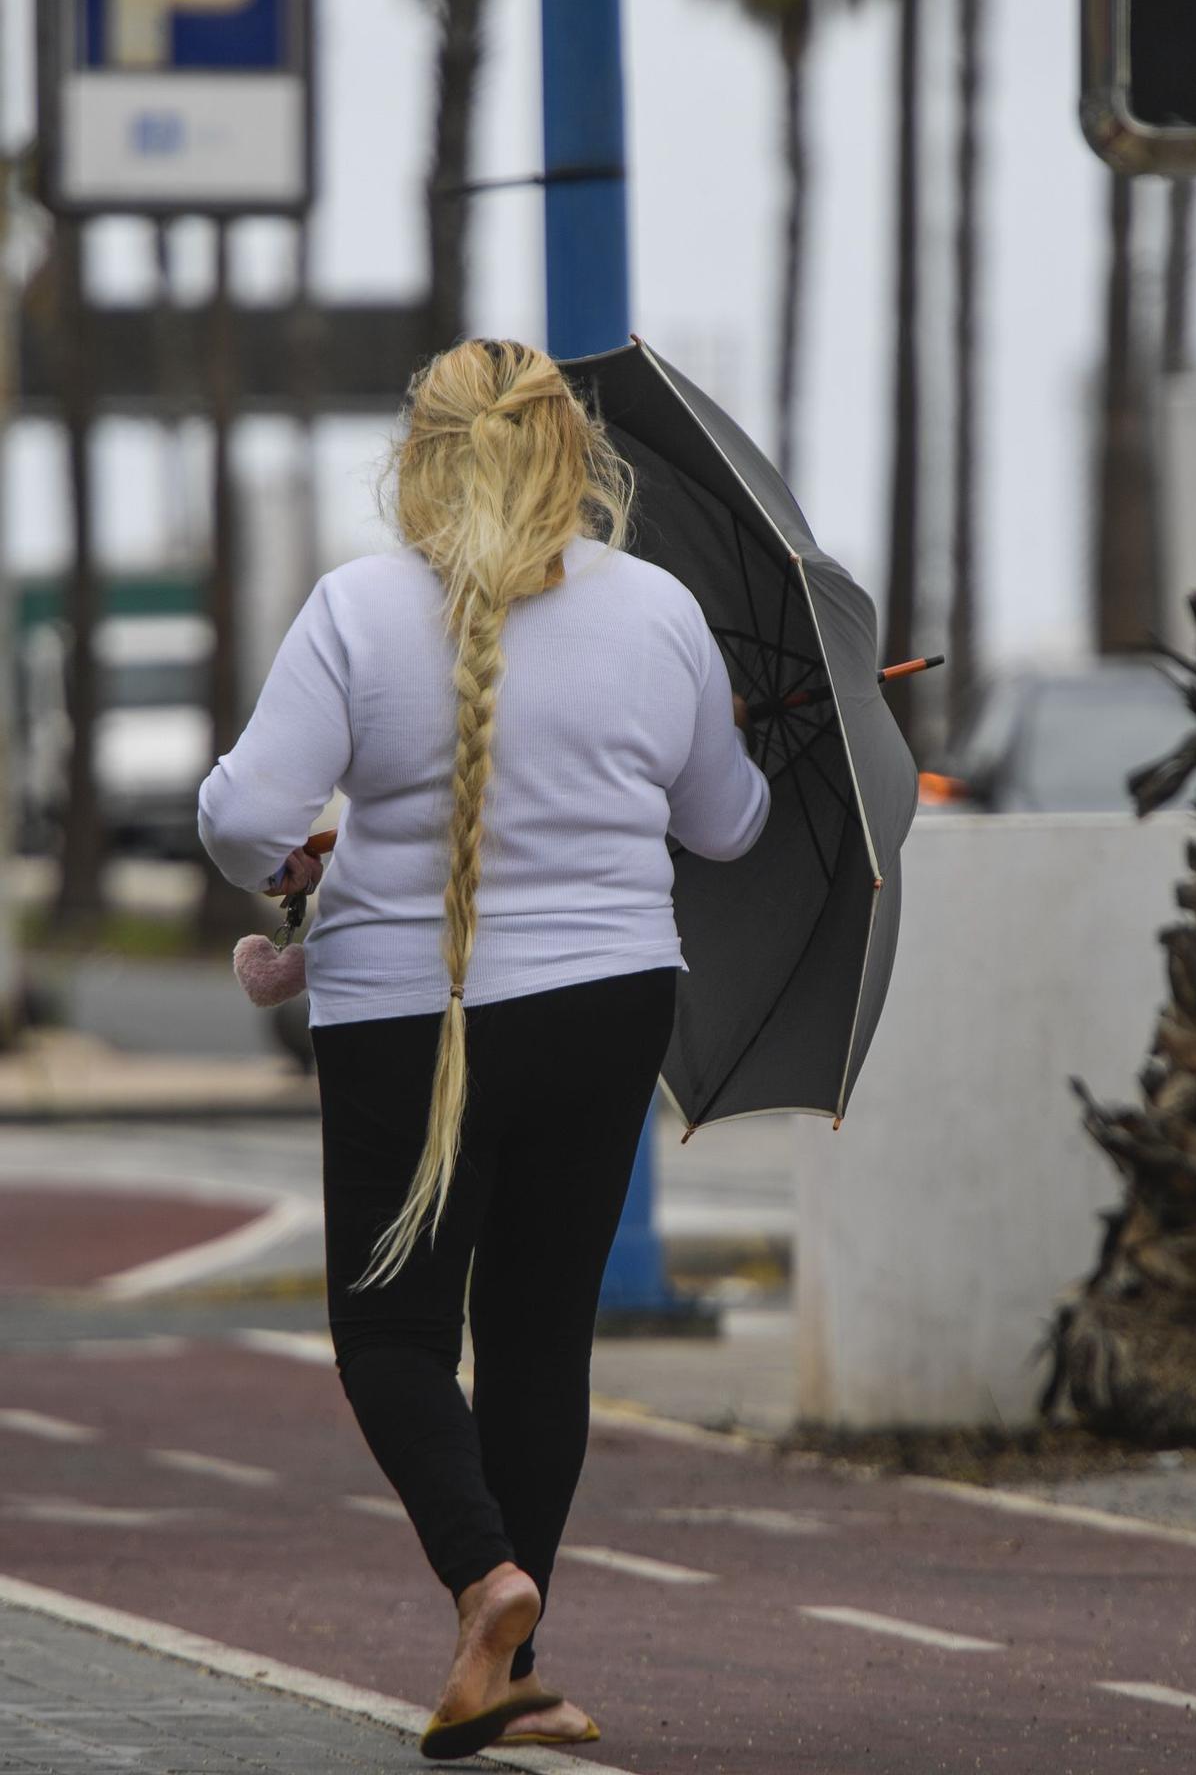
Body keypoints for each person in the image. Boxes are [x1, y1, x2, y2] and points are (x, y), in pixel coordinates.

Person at [196, 337, 770, 1761]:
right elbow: (728, 827)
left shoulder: (359, 610)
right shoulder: (659, 614)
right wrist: (734, 739)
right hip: (610, 1004)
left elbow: (236, 815)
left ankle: (483, 1577)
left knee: (392, 1333)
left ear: (423, 459)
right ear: (575, 459)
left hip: (407, 1012)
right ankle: (506, 1655)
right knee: (536, 1340)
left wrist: (298, 848)